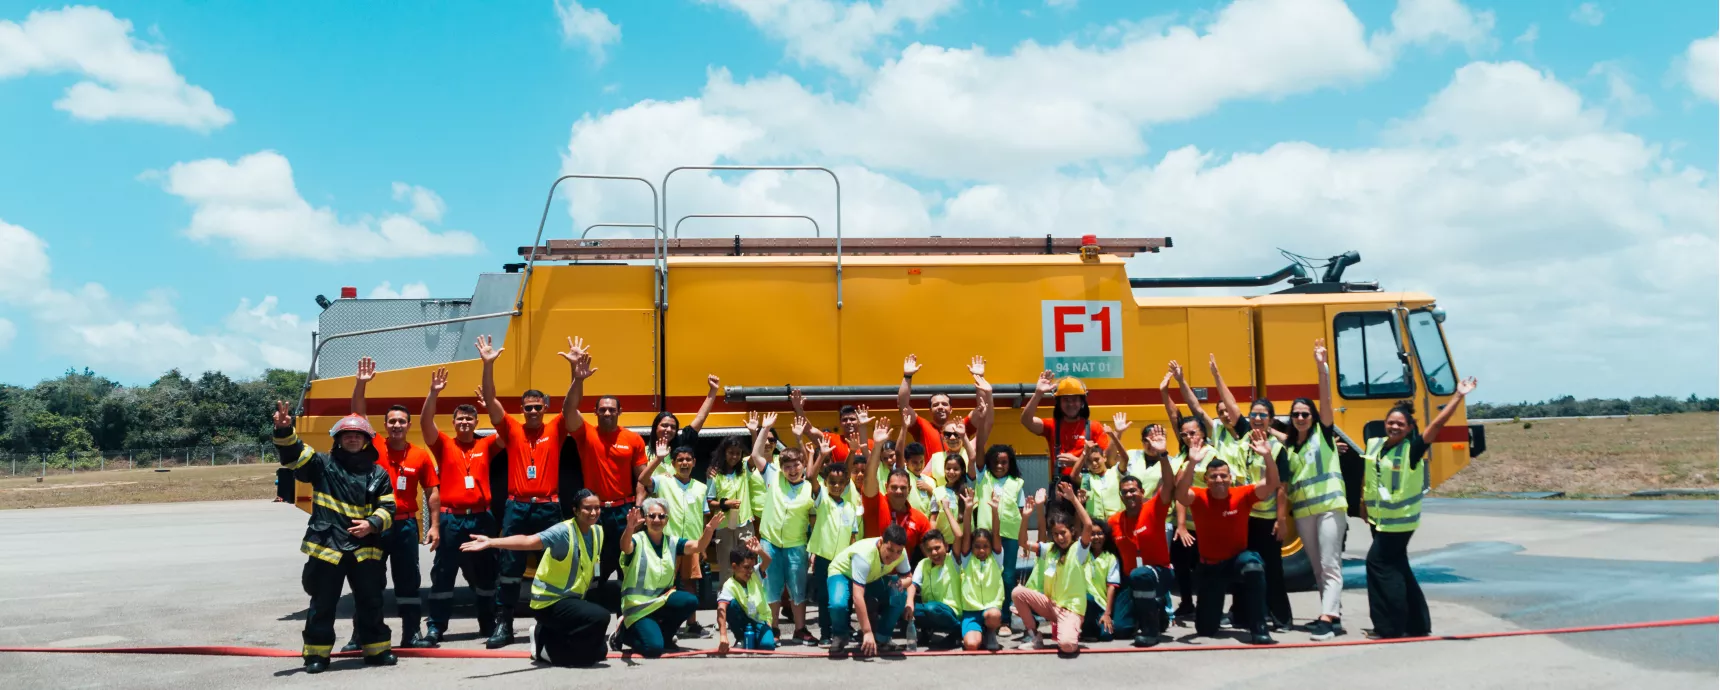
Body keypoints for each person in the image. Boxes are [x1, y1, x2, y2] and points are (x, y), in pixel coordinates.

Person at [271, 402, 397, 674]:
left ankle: (376, 649)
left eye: (358, 434)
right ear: (338, 439)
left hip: (365, 549)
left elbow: (388, 508)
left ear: (366, 440)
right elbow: (294, 455)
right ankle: (316, 655)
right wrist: (284, 430)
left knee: (371, 602)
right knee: (323, 604)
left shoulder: (379, 474)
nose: (353, 438)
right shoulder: (322, 465)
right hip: (328, 548)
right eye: (347, 434)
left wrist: (372, 524)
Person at [476, 335, 574, 648]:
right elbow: (491, 401)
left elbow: (572, 404)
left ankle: (556, 622)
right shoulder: (511, 428)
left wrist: (576, 373)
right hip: (517, 507)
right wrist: (487, 365)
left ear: (545, 407)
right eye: (528, 407)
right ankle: (504, 626)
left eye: (538, 407)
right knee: (509, 568)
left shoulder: (556, 427)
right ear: (522, 409)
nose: (533, 411)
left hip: (548, 507)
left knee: (555, 566)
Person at [1360, 378, 1477, 639]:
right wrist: (1363, 506)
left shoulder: (1411, 450)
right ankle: (1417, 624)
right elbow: (1370, 477)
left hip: (1399, 523)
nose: (1394, 426)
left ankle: (1389, 627)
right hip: (1380, 521)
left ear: (1410, 427)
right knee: (1399, 567)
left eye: (1401, 424)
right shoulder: (1376, 445)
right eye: (1391, 422)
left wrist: (1458, 396)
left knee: (1377, 565)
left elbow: (1437, 425)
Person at [459, 489, 616, 667]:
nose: (594, 512)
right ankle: (543, 646)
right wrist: (492, 542)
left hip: (572, 600)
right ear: (576, 510)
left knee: (600, 652)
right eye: (588, 508)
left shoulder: (597, 532)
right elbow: (528, 541)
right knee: (600, 620)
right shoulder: (563, 532)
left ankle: (549, 632)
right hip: (549, 602)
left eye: (597, 508)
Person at [349, 357, 440, 650]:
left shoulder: (421, 456)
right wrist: (361, 383)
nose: (397, 425)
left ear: (409, 425)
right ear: (385, 426)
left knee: (408, 583)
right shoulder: (375, 446)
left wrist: (434, 526)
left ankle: (411, 634)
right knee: (369, 583)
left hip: (404, 527)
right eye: (392, 422)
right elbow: (357, 413)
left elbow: (432, 492)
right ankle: (360, 635)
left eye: (402, 421)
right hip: (374, 527)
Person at [557, 337, 649, 589]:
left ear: (619, 412)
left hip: (623, 511)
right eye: (602, 410)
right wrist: (577, 378)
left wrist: (638, 507)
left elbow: (642, 478)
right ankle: (591, 615)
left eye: (612, 409)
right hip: (593, 511)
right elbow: (568, 410)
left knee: (626, 567)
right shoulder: (585, 433)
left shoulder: (632, 439)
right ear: (595, 412)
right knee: (593, 568)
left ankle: (626, 618)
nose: (607, 413)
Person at [420, 366, 503, 643]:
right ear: (453, 423)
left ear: (476, 422)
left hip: (481, 519)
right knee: (444, 573)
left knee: (485, 574)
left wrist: (490, 404)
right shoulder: (443, 444)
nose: (465, 422)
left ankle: (487, 623)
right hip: (451, 519)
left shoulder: (487, 445)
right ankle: (435, 627)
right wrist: (433, 393)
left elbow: (506, 430)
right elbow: (425, 423)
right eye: (460, 419)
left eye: (469, 418)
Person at [1177, 429, 1282, 645]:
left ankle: (1259, 628)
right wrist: (1191, 462)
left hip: (1236, 562)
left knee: (1253, 566)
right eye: (1214, 476)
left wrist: (1267, 456)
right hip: (1210, 567)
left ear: (1230, 478)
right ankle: (1219, 615)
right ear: (1206, 480)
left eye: (1223, 475)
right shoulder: (1198, 497)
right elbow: (1179, 494)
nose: (1219, 480)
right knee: (1206, 630)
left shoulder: (1241, 494)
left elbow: (1272, 484)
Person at [1280, 338, 1349, 641]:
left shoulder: (1323, 435)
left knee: (1329, 563)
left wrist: (1322, 368)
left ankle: (1327, 617)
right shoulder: (1291, 448)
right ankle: (1331, 614)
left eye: (1305, 414)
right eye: (1295, 414)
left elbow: (1325, 401)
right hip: (1306, 513)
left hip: (1330, 507)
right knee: (1317, 567)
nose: (1300, 418)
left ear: (1313, 417)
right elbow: (1265, 428)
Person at [616, 497, 725, 657]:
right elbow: (625, 547)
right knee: (653, 649)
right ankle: (623, 633)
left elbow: (698, 546)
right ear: (645, 519)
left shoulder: (672, 542)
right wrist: (630, 528)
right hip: (638, 607)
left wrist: (709, 529)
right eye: (652, 516)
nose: (657, 520)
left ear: (667, 520)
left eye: (661, 516)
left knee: (690, 601)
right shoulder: (637, 540)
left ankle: (665, 637)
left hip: (660, 601)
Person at [747, 411, 818, 645]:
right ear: (781, 467)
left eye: (796, 464)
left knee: (798, 590)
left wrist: (814, 549)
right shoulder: (773, 476)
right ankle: (773, 628)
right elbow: (756, 454)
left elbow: (815, 520)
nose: (792, 469)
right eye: (787, 466)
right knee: (771, 588)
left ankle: (800, 629)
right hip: (770, 543)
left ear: (802, 464)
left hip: (796, 544)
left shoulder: (810, 487)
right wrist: (764, 429)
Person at [1106, 421, 1178, 647]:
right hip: (1131, 579)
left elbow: (1168, 483)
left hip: (1158, 573)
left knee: (1142, 575)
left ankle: (1151, 629)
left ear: (1142, 492)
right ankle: (1151, 613)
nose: (1129, 495)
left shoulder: (1154, 508)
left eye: (1133, 491)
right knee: (1121, 629)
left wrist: (1163, 454)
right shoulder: (1114, 521)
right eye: (1124, 492)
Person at [1012, 482, 1094, 657]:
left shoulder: (1078, 550)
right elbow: (1022, 543)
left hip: (1070, 609)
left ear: (1072, 532)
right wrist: (1025, 517)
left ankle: (1070, 629)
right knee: (1017, 592)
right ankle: (1035, 636)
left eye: (1063, 533)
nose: (1060, 537)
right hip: (1051, 605)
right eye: (1056, 534)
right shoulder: (1049, 549)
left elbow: (1088, 526)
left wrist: (1073, 499)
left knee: (1067, 646)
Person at [636, 446, 711, 639]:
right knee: (666, 585)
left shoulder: (701, 487)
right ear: (673, 463)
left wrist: (702, 544)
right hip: (668, 542)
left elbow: (703, 516)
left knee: (690, 583)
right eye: (680, 460)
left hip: (691, 543)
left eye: (688, 459)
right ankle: (663, 622)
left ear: (694, 462)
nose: (684, 463)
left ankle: (691, 624)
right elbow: (643, 479)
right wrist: (658, 459)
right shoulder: (663, 482)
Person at [806, 426, 864, 646]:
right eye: (832, 483)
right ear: (826, 483)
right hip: (823, 557)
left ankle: (843, 630)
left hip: (843, 560)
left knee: (844, 597)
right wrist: (821, 455)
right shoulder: (822, 500)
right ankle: (825, 633)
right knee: (824, 597)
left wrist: (851, 452)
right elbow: (811, 476)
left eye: (841, 483)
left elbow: (853, 536)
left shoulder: (850, 506)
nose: (837, 486)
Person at [825, 526, 913, 658]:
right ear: (880, 543)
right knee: (838, 604)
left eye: (898, 551)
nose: (894, 556)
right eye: (890, 549)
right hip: (842, 573)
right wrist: (867, 632)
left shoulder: (901, 553)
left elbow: (909, 578)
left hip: (870, 577)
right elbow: (857, 596)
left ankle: (882, 638)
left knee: (899, 593)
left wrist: (906, 594)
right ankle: (840, 635)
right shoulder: (864, 556)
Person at [861, 417, 933, 558]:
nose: (898, 491)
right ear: (886, 487)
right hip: (873, 575)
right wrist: (877, 446)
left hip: (902, 575)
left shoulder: (919, 519)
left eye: (903, 488)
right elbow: (869, 477)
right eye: (894, 487)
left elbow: (931, 550)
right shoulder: (876, 503)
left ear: (909, 489)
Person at [1019, 371, 1111, 478]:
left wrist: (1077, 462)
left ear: (1082, 403)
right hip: (1060, 486)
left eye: (1075, 399)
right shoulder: (1052, 425)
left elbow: (1107, 463)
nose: (1071, 404)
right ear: (1059, 403)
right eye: (1066, 400)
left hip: (1087, 486)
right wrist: (1038, 394)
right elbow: (1026, 420)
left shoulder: (1094, 427)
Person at [973, 443, 1027, 622]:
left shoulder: (1017, 483)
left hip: (1009, 536)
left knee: (1008, 576)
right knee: (985, 573)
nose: (999, 466)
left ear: (1010, 463)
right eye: (996, 462)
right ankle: (983, 615)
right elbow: (978, 455)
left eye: (1004, 462)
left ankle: (1005, 618)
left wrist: (1023, 541)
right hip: (986, 535)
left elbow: (1021, 514)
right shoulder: (983, 477)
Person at [896, 354, 982, 456]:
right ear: (930, 410)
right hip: (929, 472)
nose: (940, 407)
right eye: (936, 405)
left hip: (957, 471)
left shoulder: (961, 425)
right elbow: (903, 406)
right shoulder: (922, 426)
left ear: (951, 409)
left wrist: (979, 378)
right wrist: (907, 376)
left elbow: (983, 408)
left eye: (944, 404)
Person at [645, 374, 721, 479]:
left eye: (673, 427)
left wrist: (713, 391)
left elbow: (700, 418)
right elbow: (641, 480)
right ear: (655, 427)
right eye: (664, 425)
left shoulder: (681, 444)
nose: (668, 429)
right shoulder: (644, 451)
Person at [958, 494, 1007, 651]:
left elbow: (997, 532)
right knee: (971, 645)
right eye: (977, 546)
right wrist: (967, 510)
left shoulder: (996, 558)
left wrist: (995, 511)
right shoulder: (967, 559)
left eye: (985, 546)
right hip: (971, 611)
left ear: (991, 547)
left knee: (993, 615)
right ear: (971, 547)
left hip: (990, 608)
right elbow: (966, 533)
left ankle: (990, 631)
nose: (981, 550)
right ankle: (976, 633)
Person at [706, 435, 756, 585]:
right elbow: (709, 502)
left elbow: (756, 454)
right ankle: (726, 604)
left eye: (738, 453)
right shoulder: (714, 475)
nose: (734, 456)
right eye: (731, 452)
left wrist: (755, 432)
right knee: (727, 567)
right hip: (724, 527)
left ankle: (748, 601)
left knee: (748, 565)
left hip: (745, 525)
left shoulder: (744, 471)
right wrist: (725, 504)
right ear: (724, 453)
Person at [906, 526, 964, 650]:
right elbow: (913, 584)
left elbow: (959, 536)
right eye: (929, 550)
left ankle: (958, 631)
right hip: (930, 610)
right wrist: (909, 603)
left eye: (937, 548)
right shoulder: (923, 563)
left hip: (950, 611)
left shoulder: (953, 560)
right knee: (903, 607)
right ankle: (927, 631)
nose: (934, 553)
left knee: (932, 608)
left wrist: (947, 509)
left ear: (946, 546)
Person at [715, 536, 776, 654]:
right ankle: (741, 638)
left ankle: (756, 640)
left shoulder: (756, 574)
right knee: (730, 605)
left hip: (761, 621)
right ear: (734, 566)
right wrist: (723, 636)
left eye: (752, 567)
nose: (750, 571)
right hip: (743, 622)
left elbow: (768, 561)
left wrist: (760, 551)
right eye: (746, 567)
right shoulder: (728, 585)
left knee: (768, 647)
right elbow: (721, 609)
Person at [1080, 521, 1122, 643]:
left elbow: (1112, 587)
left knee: (1106, 636)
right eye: (1092, 534)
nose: (1096, 537)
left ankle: (1095, 626)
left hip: (1101, 606)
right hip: (1084, 603)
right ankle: (1086, 629)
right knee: (1088, 599)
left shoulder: (1110, 558)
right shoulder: (1082, 554)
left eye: (1099, 533)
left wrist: (1107, 613)